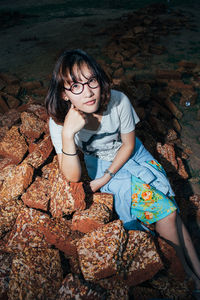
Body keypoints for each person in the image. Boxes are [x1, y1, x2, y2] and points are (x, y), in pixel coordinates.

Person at [45, 49, 200, 294]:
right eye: (75, 86)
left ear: (99, 79)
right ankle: (188, 276)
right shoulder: (59, 122)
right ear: (64, 93)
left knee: (170, 208)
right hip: (99, 163)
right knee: (168, 214)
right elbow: (73, 176)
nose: (87, 91)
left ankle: (194, 272)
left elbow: (128, 145)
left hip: (129, 156)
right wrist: (67, 134)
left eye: (91, 80)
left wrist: (105, 179)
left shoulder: (118, 101)